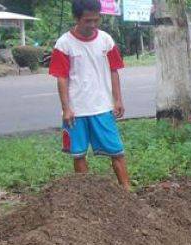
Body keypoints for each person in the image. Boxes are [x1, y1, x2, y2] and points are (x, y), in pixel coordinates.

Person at [49, 0, 130, 190]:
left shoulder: (106, 40)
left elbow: (114, 71)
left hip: (103, 107)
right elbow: (61, 78)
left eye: (96, 20)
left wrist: (117, 99)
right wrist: (66, 108)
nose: (93, 25)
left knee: (117, 151)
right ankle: (86, 196)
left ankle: (127, 191)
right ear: (77, 19)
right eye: (87, 21)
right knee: (78, 154)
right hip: (76, 111)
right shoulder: (63, 44)